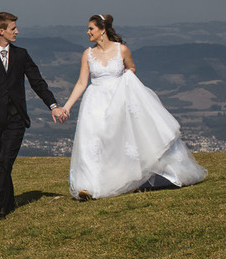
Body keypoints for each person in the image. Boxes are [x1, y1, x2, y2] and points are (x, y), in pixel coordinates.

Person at [59, 14, 207, 200]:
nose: (87, 32)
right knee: (93, 142)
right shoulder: (87, 54)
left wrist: (126, 79)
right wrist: (67, 106)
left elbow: (132, 68)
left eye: (91, 28)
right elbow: (81, 83)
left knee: (118, 140)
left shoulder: (122, 50)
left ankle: (123, 178)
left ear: (102, 30)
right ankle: (89, 186)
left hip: (119, 98)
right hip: (95, 101)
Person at [0, 12, 67, 220]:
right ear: (1, 31)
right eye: (13, 28)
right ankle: (8, 203)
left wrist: (53, 105)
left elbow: (37, 82)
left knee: (5, 162)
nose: (17, 31)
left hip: (16, 120)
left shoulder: (21, 55)